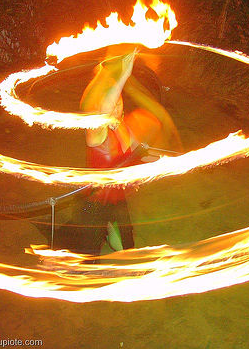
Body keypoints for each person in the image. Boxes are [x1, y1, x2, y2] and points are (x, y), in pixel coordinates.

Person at [55, 49, 181, 256]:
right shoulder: (96, 133)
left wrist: (162, 162)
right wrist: (123, 75)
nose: (114, 107)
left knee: (125, 248)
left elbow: (137, 155)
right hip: (94, 203)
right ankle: (92, 235)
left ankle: (108, 232)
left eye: (118, 102)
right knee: (85, 258)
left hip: (117, 198)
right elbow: (103, 109)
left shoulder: (125, 129)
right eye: (110, 104)